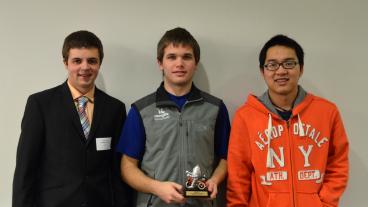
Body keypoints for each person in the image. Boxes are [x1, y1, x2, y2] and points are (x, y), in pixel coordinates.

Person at [12, 30, 133, 207]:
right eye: (77, 61)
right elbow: (25, 169)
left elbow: (117, 170)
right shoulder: (40, 104)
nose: (85, 67)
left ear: (100, 63)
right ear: (65, 63)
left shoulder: (115, 108)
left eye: (92, 61)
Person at [227, 34, 349, 207]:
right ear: (263, 71)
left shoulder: (327, 112)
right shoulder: (246, 116)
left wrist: (325, 203)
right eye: (272, 65)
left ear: (301, 68)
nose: (281, 71)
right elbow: (238, 175)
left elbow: (338, 164)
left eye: (289, 63)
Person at [117, 27, 230, 207]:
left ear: (196, 62)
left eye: (186, 57)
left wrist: (215, 180)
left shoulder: (215, 108)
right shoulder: (142, 110)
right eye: (171, 57)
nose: (179, 63)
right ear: (160, 63)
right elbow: (127, 167)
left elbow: (226, 157)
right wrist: (156, 188)